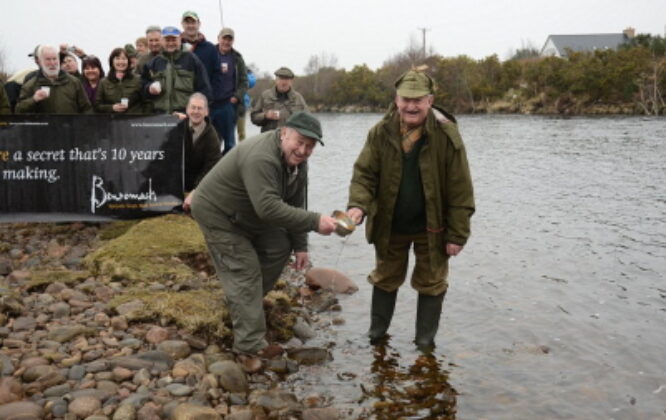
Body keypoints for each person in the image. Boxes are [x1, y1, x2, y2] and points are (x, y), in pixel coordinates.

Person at [346, 68, 475, 352]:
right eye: (406, 99)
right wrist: (358, 206)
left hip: (434, 228)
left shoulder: (447, 135)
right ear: (396, 99)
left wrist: (458, 234)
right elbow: (364, 175)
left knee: (432, 283)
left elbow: (461, 189)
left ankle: (425, 345)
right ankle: (376, 338)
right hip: (390, 224)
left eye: (418, 100)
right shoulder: (380, 133)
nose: (411, 106)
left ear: (430, 101)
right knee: (385, 279)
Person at [190, 111, 338, 357]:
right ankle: (250, 345)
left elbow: (296, 200)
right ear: (284, 134)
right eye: (299, 142)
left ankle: (243, 304)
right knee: (245, 269)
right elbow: (268, 208)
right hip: (217, 213)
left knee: (280, 245)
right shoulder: (262, 157)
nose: (302, 150)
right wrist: (315, 221)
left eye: (309, 146)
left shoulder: (298, 162)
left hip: (247, 212)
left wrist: (301, 245)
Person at [141, 26, 212, 114]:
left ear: (180, 40)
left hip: (186, 117)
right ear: (162, 41)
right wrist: (149, 88)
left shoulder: (192, 60)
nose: (170, 43)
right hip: (160, 117)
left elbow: (204, 90)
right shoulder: (153, 63)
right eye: (167, 40)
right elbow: (143, 87)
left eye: (174, 40)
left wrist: (200, 114)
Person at [173, 93, 222, 202]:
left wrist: (195, 191)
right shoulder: (177, 126)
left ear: (206, 112)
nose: (196, 112)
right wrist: (169, 119)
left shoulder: (212, 136)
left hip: (200, 186)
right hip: (176, 184)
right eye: (193, 107)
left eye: (200, 108)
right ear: (187, 109)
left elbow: (211, 168)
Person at [16, 45, 93, 114]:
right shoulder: (30, 85)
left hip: (71, 128)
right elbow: (18, 111)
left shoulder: (74, 82)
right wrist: (33, 99)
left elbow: (87, 109)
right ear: (39, 61)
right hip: (43, 129)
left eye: (54, 59)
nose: (52, 63)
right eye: (48, 59)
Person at [210, 27, 248, 154]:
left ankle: (228, 169)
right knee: (210, 139)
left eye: (229, 39)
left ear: (233, 41)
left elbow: (244, 82)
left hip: (228, 105)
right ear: (218, 38)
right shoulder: (209, 53)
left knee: (230, 143)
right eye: (224, 38)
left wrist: (237, 97)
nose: (226, 42)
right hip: (211, 105)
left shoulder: (237, 58)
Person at [251, 67, 307, 132]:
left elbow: (308, 120)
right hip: (269, 138)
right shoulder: (265, 95)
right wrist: (265, 115)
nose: (283, 82)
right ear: (276, 80)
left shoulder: (298, 98)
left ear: (291, 82)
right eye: (281, 78)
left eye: (286, 79)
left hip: (291, 139)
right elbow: (254, 117)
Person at [95, 47, 144, 114]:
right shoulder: (103, 82)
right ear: (112, 61)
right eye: (117, 58)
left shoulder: (138, 79)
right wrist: (112, 107)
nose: (121, 61)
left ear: (128, 61)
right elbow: (97, 105)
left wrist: (143, 118)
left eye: (124, 59)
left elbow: (147, 102)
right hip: (113, 122)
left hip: (134, 121)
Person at [180, 10, 218, 83]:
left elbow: (217, 75)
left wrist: (210, 92)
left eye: (193, 22)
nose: (190, 26)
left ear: (199, 24)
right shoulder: (176, 47)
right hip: (182, 93)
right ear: (182, 24)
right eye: (187, 22)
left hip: (204, 93)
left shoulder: (210, 48)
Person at [237, 68, 256, 141]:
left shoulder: (244, 69)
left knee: (241, 132)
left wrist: (243, 73)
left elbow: (252, 82)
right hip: (227, 104)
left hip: (241, 105)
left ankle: (242, 150)